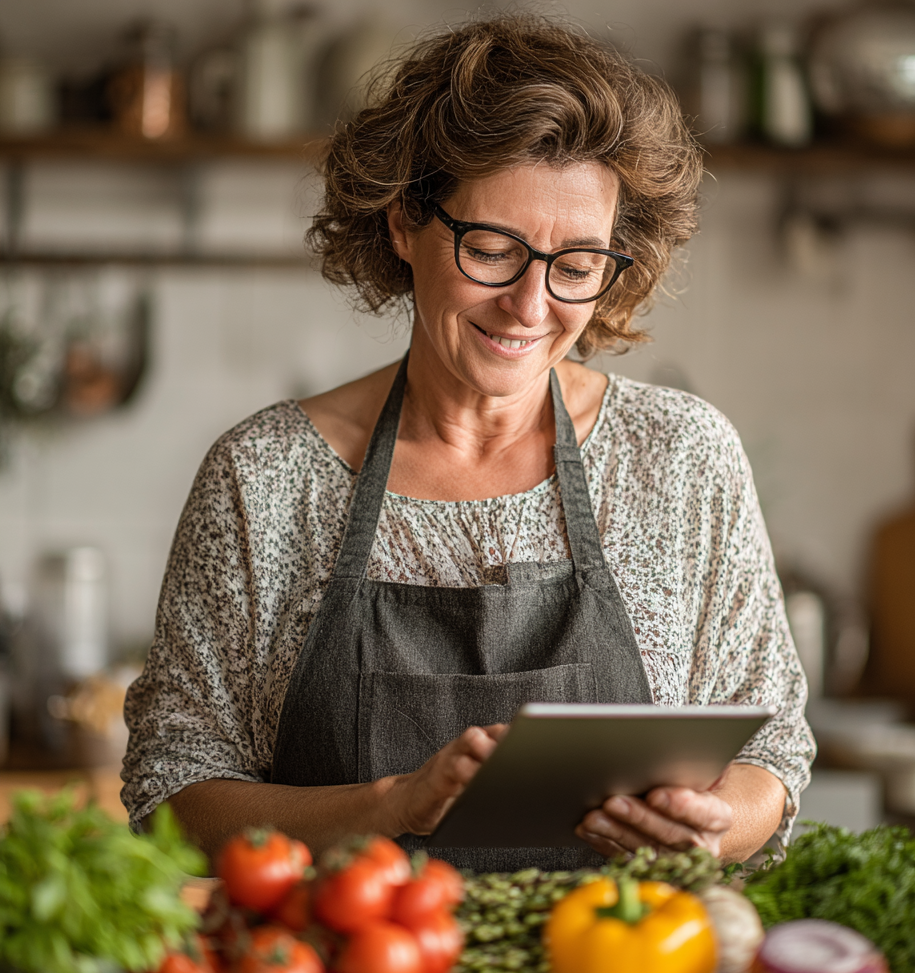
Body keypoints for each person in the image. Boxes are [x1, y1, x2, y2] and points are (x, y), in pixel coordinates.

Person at [121, 14, 814, 870]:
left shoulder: (679, 457)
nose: (530, 307)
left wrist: (717, 823)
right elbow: (172, 798)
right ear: (402, 224)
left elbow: (771, 753)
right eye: (492, 248)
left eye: (577, 264)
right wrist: (392, 805)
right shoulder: (265, 478)